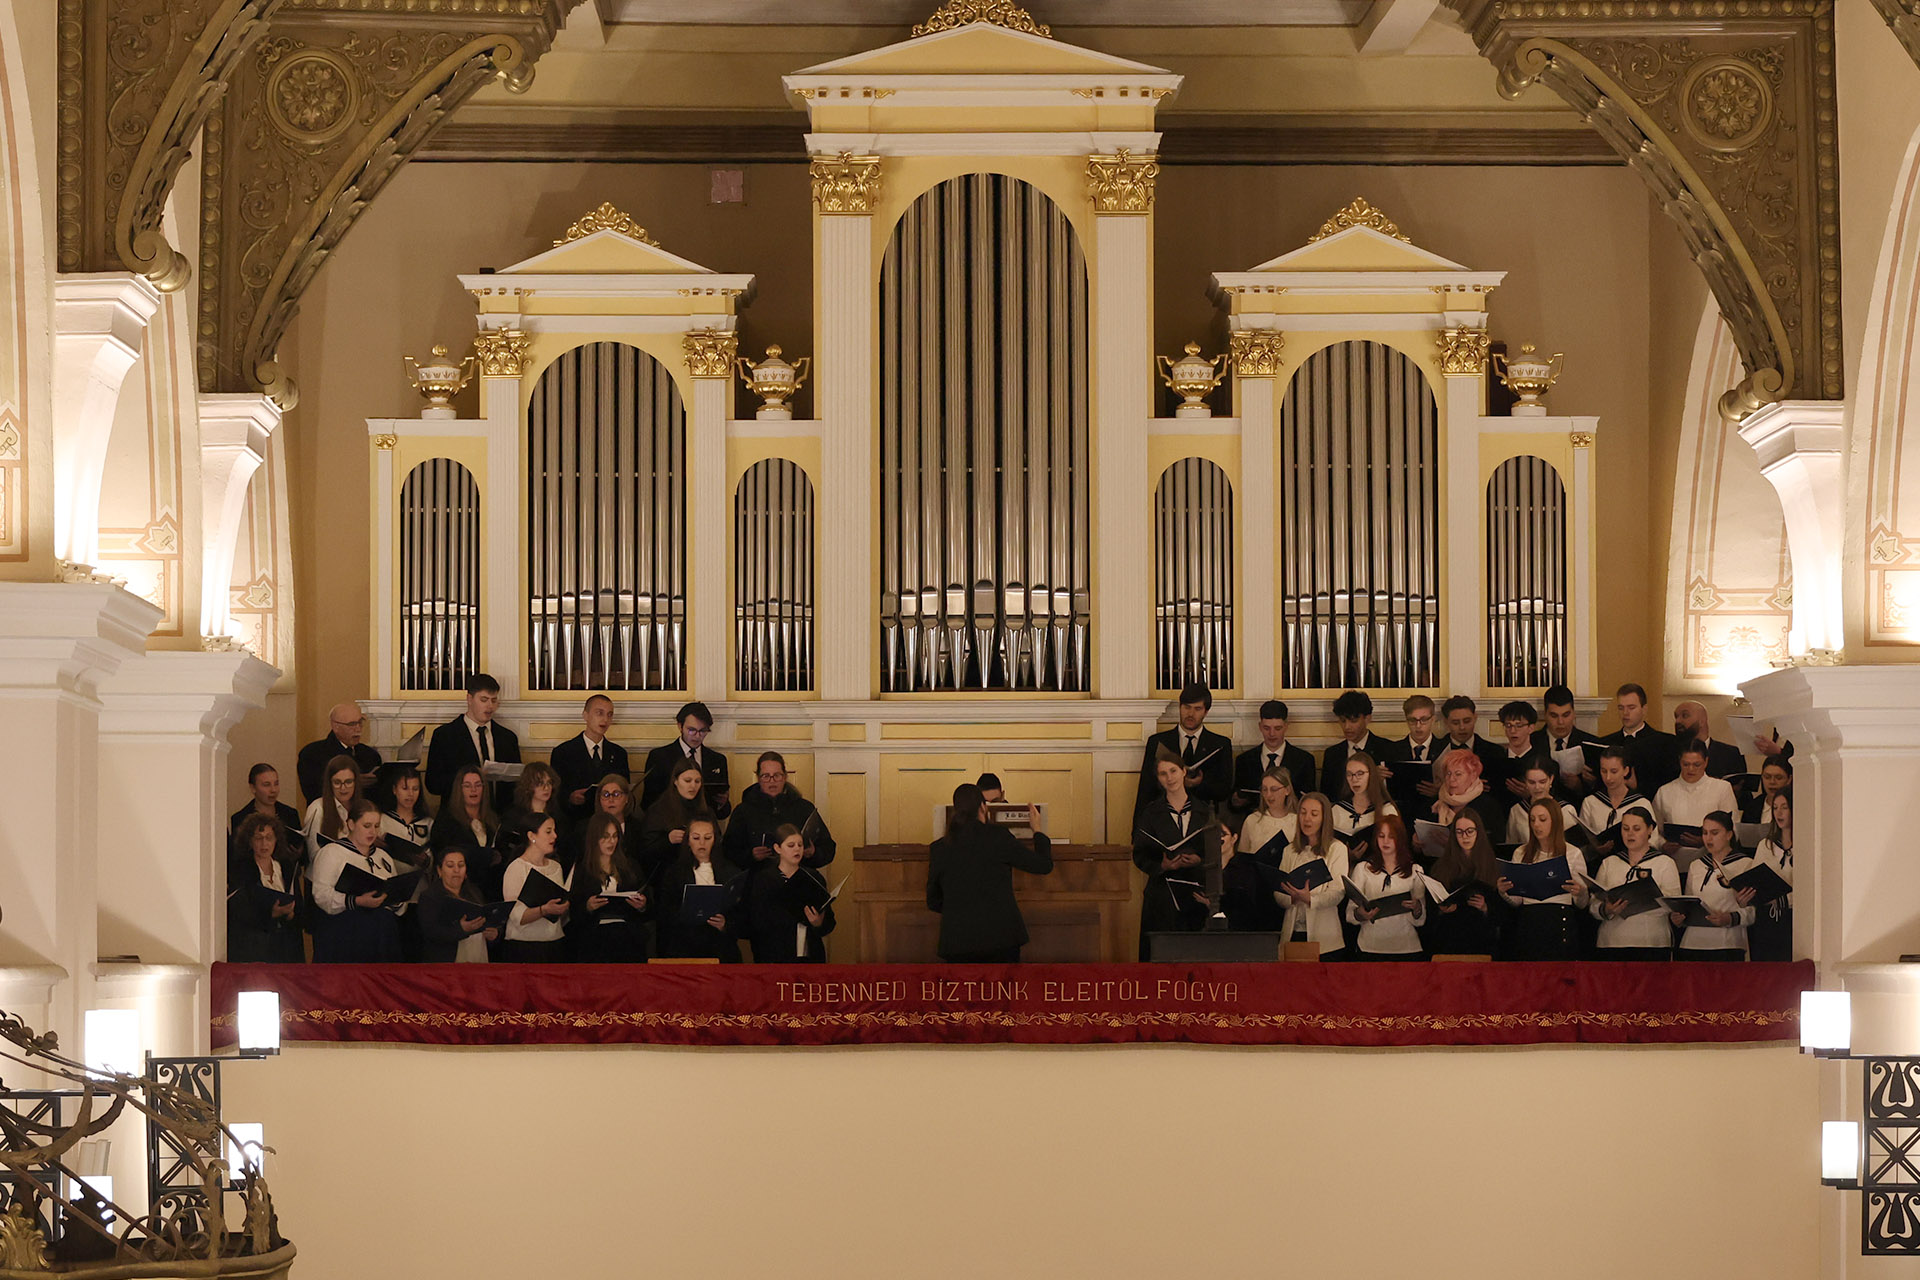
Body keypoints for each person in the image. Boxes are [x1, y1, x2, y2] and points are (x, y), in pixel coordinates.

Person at [927, 784, 1054, 963]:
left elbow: (933, 900)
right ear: (983, 807)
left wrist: (960, 911)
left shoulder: (939, 848)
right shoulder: (998, 837)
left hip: (957, 942)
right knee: (1002, 982)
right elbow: (1043, 865)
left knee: (963, 983)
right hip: (1001, 939)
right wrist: (1037, 830)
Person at [1132, 748, 1217, 958]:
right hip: (1162, 894)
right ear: (1158, 779)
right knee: (1161, 954)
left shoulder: (1204, 811)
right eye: (1163, 774)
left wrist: (1199, 859)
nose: (1169, 778)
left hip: (1196, 891)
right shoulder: (1150, 813)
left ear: (1184, 772)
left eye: (1173, 771)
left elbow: (1216, 851)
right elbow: (1140, 854)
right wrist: (1162, 865)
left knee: (1195, 956)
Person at [310, 799, 404, 963]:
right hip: (345, 934)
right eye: (366, 826)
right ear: (351, 824)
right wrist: (357, 900)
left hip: (381, 935)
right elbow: (321, 895)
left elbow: (397, 897)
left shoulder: (383, 857)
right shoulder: (332, 852)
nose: (372, 832)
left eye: (376, 826)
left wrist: (394, 899)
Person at [1497, 799, 1590, 960]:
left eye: (1542, 819)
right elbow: (1517, 900)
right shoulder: (1521, 853)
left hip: (1559, 919)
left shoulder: (1572, 853)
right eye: (1532, 820)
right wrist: (1504, 892)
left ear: (1555, 821)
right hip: (1530, 921)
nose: (1536, 825)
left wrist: (1580, 892)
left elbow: (1582, 903)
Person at [1589, 808, 1681, 960]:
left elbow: (1674, 904)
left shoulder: (1664, 863)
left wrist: (1645, 900)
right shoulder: (1609, 863)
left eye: (1636, 829)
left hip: (1651, 942)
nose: (1630, 834)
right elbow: (1594, 903)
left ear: (1650, 830)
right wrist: (1607, 909)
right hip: (1612, 942)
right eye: (1625, 829)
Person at [424, 673, 521, 810]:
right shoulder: (445, 736)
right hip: (458, 815)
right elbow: (433, 784)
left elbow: (516, 785)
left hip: (499, 815)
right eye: (484, 700)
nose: (490, 706)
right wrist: (470, 778)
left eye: (494, 700)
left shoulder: (508, 738)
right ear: (469, 699)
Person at [1134, 683, 1233, 816]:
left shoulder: (1220, 744)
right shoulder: (1157, 742)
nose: (1190, 714)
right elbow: (1146, 789)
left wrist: (1198, 784)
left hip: (1203, 817)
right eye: (1187, 707)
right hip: (1163, 816)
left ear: (1206, 711)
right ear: (1180, 707)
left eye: (1197, 709)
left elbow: (1224, 790)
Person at [723, 752, 835, 869]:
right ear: (758, 778)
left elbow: (828, 849)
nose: (772, 781)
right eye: (766, 776)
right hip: (758, 875)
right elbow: (728, 851)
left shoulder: (804, 808)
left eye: (777, 775)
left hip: (798, 875)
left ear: (785, 777)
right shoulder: (743, 811)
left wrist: (813, 853)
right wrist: (751, 856)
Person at [743, 824, 836, 962]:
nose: (797, 849)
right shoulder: (763, 880)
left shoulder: (813, 878)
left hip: (809, 955)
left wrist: (818, 923)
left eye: (800, 845)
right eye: (791, 845)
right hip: (774, 956)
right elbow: (755, 921)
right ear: (777, 848)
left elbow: (829, 921)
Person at [657, 815, 745, 962]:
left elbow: (741, 913)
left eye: (707, 838)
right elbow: (664, 912)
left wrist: (725, 924)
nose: (702, 843)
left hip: (720, 946)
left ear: (715, 840)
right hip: (684, 945)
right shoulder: (674, 873)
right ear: (688, 841)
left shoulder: (731, 872)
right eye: (696, 838)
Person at [1423, 809, 1506, 958]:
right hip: (1449, 939)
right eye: (1459, 832)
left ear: (1478, 832)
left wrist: (1485, 907)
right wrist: (1441, 909)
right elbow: (1430, 907)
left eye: (1470, 831)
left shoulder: (1492, 865)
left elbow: (1503, 912)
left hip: (1481, 940)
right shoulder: (1441, 866)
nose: (1465, 837)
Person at [571, 811, 652, 963]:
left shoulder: (630, 866)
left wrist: (642, 905)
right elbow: (573, 910)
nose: (611, 841)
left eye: (615, 836)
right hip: (595, 938)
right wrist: (587, 907)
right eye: (605, 836)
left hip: (628, 936)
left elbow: (649, 906)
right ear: (594, 838)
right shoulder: (582, 870)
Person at [1221, 767, 1296, 932]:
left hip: (1287, 888)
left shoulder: (1297, 821)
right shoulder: (1252, 820)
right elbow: (1242, 859)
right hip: (1256, 890)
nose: (1269, 795)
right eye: (1265, 789)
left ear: (1287, 790)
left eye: (1274, 789)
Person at [1673, 810, 1755, 961]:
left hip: (1727, 943)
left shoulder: (1745, 864)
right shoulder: (1696, 865)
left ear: (1729, 835)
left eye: (1714, 833)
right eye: (1705, 833)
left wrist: (1730, 918)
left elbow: (1753, 911)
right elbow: (1689, 904)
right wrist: (1680, 918)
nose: (1708, 838)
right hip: (1693, 943)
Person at [1276, 793, 1349, 960]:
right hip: (1293, 933)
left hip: (1325, 938)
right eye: (1303, 813)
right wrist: (1292, 898)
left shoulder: (1336, 849)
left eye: (1314, 814)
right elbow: (1278, 891)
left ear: (1324, 818)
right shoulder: (1290, 850)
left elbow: (1337, 892)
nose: (1307, 819)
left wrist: (1310, 899)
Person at [1346, 815, 1427, 960]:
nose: (1385, 841)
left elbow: (1420, 919)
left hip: (1406, 946)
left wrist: (1417, 908)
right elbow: (1350, 913)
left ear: (1400, 839)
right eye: (1381, 836)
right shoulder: (1363, 869)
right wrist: (1360, 914)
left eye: (1391, 836)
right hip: (1370, 946)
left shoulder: (1415, 870)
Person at [226, 813, 303, 963]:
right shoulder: (241, 870)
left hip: (285, 947)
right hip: (255, 948)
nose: (264, 844)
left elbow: (300, 908)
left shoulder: (286, 868)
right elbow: (238, 911)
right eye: (258, 838)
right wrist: (270, 914)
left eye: (269, 838)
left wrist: (290, 914)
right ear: (250, 841)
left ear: (276, 840)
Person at [499, 813, 570, 963]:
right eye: (548, 831)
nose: (555, 836)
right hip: (525, 946)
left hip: (554, 942)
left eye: (554, 830)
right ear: (531, 835)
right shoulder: (517, 868)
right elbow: (516, 916)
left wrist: (564, 906)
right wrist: (544, 910)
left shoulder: (556, 867)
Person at [641, 701, 731, 819]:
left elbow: (723, 813)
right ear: (680, 726)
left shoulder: (717, 760)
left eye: (703, 731)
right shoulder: (659, 757)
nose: (697, 736)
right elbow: (648, 802)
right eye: (691, 730)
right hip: (669, 822)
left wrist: (722, 803)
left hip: (704, 823)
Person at [550, 695, 632, 821]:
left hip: (610, 821)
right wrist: (570, 798)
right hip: (575, 821)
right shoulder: (563, 752)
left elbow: (625, 788)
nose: (605, 719)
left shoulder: (619, 753)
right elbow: (555, 792)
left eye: (609, 715)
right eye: (599, 713)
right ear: (585, 715)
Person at [1231, 700, 1316, 819]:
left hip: (1292, 822)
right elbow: (1235, 805)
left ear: (1286, 726)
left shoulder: (1304, 760)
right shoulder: (1244, 760)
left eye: (1277, 728)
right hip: (1255, 821)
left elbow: (1310, 801)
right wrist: (1236, 801)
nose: (1272, 734)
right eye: (1266, 728)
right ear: (1260, 727)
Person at [415, 844, 498, 963]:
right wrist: (461, 929)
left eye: (461, 865)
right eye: (450, 865)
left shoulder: (474, 892)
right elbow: (431, 932)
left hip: (477, 956)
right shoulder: (430, 897)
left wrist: (494, 934)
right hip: (447, 962)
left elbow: (489, 919)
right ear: (439, 870)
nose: (456, 870)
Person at [1653, 743, 1737, 857]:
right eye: (1686, 764)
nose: (1691, 769)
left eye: (1697, 764)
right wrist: (1663, 844)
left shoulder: (1722, 788)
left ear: (1706, 762)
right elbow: (1653, 830)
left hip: (1712, 857)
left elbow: (1733, 827)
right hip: (1675, 857)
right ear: (1679, 761)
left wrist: (1705, 840)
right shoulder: (1664, 791)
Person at [1577, 746, 1659, 859]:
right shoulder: (1590, 802)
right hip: (1598, 863)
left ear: (1626, 771)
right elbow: (1583, 843)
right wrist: (1594, 849)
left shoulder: (1641, 803)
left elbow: (1653, 840)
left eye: (1614, 771)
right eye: (1604, 771)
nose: (1608, 777)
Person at [640, 757, 715, 881]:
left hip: (701, 869)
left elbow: (717, 844)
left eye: (697, 781)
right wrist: (668, 840)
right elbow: (645, 851)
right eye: (687, 780)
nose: (693, 786)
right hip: (668, 874)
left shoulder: (706, 810)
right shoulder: (658, 810)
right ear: (675, 781)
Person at [429, 763, 500, 894]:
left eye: (478, 785)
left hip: (490, 887)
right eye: (467, 786)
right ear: (459, 790)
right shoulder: (447, 821)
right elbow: (444, 853)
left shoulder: (493, 819)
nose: (473, 790)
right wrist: (485, 855)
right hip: (460, 889)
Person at [1321, 690, 1402, 803]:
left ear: (1367, 719)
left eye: (1353, 720)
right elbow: (1327, 796)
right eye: (1343, 721)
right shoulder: (1332, 754)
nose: (1347, 727)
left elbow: (1397, 794)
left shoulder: (1388, 749)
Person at [295, 703, 382, 806]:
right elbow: (313, 792)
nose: (358, 728)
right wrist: (354, 783)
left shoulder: (370, 754)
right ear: (335, 726)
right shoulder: (312, 754)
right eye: (352, 724)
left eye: (360, 722)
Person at [1603, 683, 1678, 798]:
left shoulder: (1665, 743)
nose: (1625, 713)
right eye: (1621, 708)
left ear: (1644, 709)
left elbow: (1669, 784)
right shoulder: (1606, 743)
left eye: (1631, 707)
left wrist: (1638, 786)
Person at [1748, 790, 1794, 962]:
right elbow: (1755, 880)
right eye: (1775, 808)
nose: (1779, 813)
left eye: (1784, 807)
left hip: (1792, 919)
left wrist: (1782, 900)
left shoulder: (1806, 845)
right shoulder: (1765, 845)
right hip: (1766, 920)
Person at [1532, 683, 1598, 796]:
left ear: (1574, 713)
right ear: (1545, 715)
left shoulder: (1591, 743)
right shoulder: (1532, 742)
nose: (1560, 722)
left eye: (1566, 715)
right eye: (1554, 716)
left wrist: (1580, 785)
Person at [228, 763, 302, 858]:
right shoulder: (240, 819)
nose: (273, 790)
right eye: (266, 785)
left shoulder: (290, 814)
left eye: (276, 784)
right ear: (253, 788)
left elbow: (302, 852)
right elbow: (237, 856)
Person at [1332, 751, 1397, 857]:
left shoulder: (1387, 810)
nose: (1354, 779)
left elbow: (1396, 846)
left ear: (1371, 775)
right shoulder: (1337, 810)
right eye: (1349, 774)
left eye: (1360, 773)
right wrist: (1346, 856)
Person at [1431, 748, 1505, 838]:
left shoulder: (1489, 807)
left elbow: (1495, 842)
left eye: (1458, 774)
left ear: (1473, 776)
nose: (1451, 779)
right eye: (1448, 773)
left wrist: (1452, 843)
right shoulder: (1435, 803)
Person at [1505, 762, 1582, 848]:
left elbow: (1573, 847)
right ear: (1525, 782)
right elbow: (1511, 846)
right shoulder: (1517, 810)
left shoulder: (1566, 810)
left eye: (1542, 782)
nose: (1537, 787)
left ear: (1551, 779)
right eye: (1532, 782)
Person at [372, 763, 432, 871]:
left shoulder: (428, 823)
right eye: (405, 788)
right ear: (394, 790)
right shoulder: (382, 820)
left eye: (415, 789)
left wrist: (426, 861)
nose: (410, 794)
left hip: (420, 879)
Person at [302, 754, 361, 863]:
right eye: (337, 783)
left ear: (356, 782)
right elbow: (314, 855)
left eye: (348, 782)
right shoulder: (318, 809)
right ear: (329, 783)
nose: (343, 788)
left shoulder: (362, 807)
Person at [1392, 694, 1441, 823]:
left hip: (1434, 817)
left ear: (1433, 719)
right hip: (1402, 818)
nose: (1418, 726)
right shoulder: (1393, 750)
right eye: (1412, 720)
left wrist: (1440, 792)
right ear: (1406, 720)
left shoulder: (1444, 749)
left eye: (1424, 720)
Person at [1672, 700, 1746, 778]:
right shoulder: (1669, 753)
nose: (1677, 721)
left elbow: (1741, 784)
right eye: (1676, 717)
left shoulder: (1731, 754)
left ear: (1702, 721)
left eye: (1685, 715)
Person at [1437, 695, 1502, 782]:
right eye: (1455, 723)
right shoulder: (1436, 750)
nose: (1462, 727)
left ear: (1475, 718)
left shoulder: (1495, 752)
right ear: (1446, 722)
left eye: (1467, 721)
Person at [1492, 701, 1543, 798]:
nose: (1512, 731)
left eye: (1519, 725)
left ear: (1531, 728)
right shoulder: (1495, 761)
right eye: (1508, 725)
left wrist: (1531, 795)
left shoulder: (1542, 762)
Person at [1741, 755, 1793, 824]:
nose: (1772, 782)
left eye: (1778, 778)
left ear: (1789, 779)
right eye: (1767, 777)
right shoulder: (1752, 807)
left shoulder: (1796, 806)